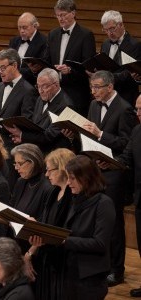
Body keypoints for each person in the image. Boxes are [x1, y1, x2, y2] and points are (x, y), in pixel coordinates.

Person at [78, 70, 137, 286]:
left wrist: (101, 135)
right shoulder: (94, 105)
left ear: (110, 87)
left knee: (113, 223)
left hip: (114, 173)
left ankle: (117, 269)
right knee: (95, 220)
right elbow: (89, 134)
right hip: (95, 169)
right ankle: (101, 265)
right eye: (91, 87)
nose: (92, 92)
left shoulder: (125, 109)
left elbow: (127, 143)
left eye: (97, 87)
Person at [62, 155, 115, 300]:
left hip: (90, 277)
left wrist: (65, 241)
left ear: (86, 178)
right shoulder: (75, 198)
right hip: (70, 271)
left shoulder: (104, 203)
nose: (68, 183)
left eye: (72, 178)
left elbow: (100, 243)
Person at [27, 148, 75, 300]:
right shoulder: (53, 192)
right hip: (46, 258)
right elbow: (46, 223)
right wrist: (30, 253)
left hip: (62, 263)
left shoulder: (73, 196)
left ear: (62, 169)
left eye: (49, 170)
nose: (46, 174)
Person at [44, 0, 96, 116]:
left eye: (63, 15)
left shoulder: (86, 35)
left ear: (73, 13)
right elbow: (47, 60)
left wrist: (70, 71)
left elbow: (88, 66)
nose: (60, 18)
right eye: (58, 15)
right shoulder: (53, 34)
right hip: (55, 91)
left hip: (76, 92)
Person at [5, 68, 73, 153]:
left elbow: (49, 136)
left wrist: (22, 135)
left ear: (56, 85)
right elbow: (35, 126)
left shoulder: (66, 106)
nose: (40, 91)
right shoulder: (40, 99)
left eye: (44, 86)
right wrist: (23, 138)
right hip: (37, 149)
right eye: (38, 86)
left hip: (53, 154)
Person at [115, 95, 141, 297]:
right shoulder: (137, 130)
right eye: (137, 109)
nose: (138, 114)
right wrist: (110, 162)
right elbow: (126, 158)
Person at [0, 48, 37, 130]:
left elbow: (26, 123)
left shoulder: (28, 90)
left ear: (14, 66)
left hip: (11, 140)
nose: (0, 72)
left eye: (3, 68)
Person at [99, 10, 141, 106]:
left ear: (121, 25)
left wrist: (106, 78)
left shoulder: (135, 45)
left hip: (125, 96)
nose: (110, 33)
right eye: (106, 30)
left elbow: (130, 73)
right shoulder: (105, 44)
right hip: (106, 96)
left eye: (112, 29)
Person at [10, 144, 54, 221]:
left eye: (19, 164)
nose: (16, 168)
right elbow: (11, 208)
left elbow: (45, 220)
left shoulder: (48, 188)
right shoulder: (20, 182)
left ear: (32, 162)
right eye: (15, 163)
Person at [8, 12, 47, 85]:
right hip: (12, 83)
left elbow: (40, 69)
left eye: (24, 27)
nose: (22, 31)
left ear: (35, 26)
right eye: (19, 27)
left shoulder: (44, 42)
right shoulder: (14, 41)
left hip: (31, 84)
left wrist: (13, 71)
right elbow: (9, 60)